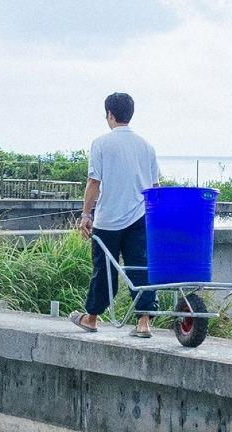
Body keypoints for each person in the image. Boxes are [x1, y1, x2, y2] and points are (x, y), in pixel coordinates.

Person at [71, 92, 161, 337]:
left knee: (104, 269)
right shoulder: (147, 146)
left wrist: (86, 215)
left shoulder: (101, 143)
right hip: (139, 217)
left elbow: (94, 182)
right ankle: (144, 322)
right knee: (140, 267)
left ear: (110, 114)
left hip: (108, 219)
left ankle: (91, 318)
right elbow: (155, 187)